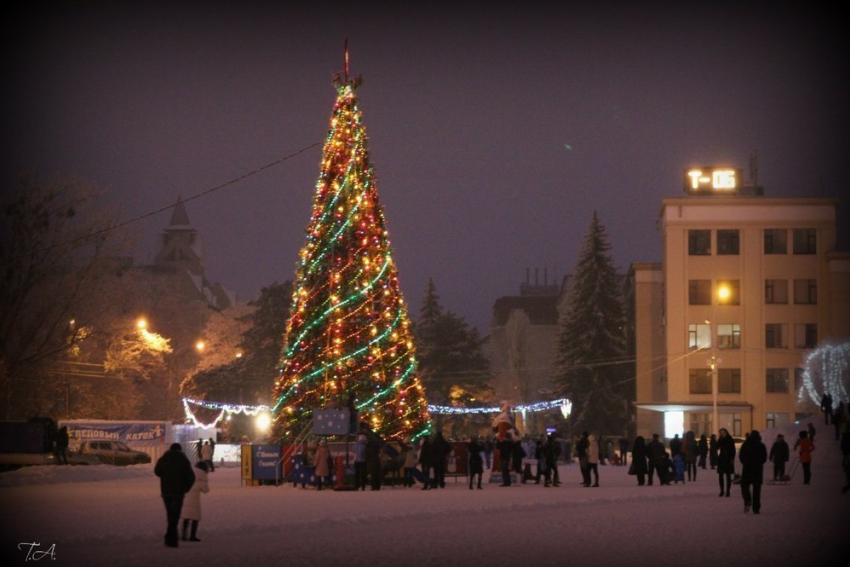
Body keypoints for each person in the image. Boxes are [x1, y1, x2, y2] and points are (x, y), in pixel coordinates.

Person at [154, 443, 196, 548]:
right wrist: (185, 488)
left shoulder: (163, 459)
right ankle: (171, 540)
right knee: (175, 516)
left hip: (166, 492)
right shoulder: (184, 460)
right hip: (178, 493)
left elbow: (157, 472)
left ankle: (170, 538)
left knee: (170, 514)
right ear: (180, 450)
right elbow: (191, 477)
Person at [739, 430, 767, 514]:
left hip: (747, 469)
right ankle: (756, 508)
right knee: (757, 490)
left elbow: (741, 456)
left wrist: (746, 462)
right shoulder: (761, 445)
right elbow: (764, 458)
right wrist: (758, 463)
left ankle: (747, 500)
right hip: (757, 470)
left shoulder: (745, 445)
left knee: (744, 486)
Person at [180, 460, 210, 541]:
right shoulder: (202, 477)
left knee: (186, 517)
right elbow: (205, 490)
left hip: (185, 497)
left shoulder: (189, 473)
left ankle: (183, 535)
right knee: (195, 518)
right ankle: (192, 536)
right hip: (195, 500)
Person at [716, 428, 736, 497]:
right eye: (721, 432)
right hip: (722, 459)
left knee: (728, 476)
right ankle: (722, 491)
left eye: (723, 432)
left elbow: (733, 449)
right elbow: (717, 447)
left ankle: (727, 491)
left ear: (726, 432)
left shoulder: (730, 439)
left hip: (728, 459)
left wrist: (732, 458)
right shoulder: (720, 439)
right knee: (721, 476)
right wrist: (719, 440)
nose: (722, 433)